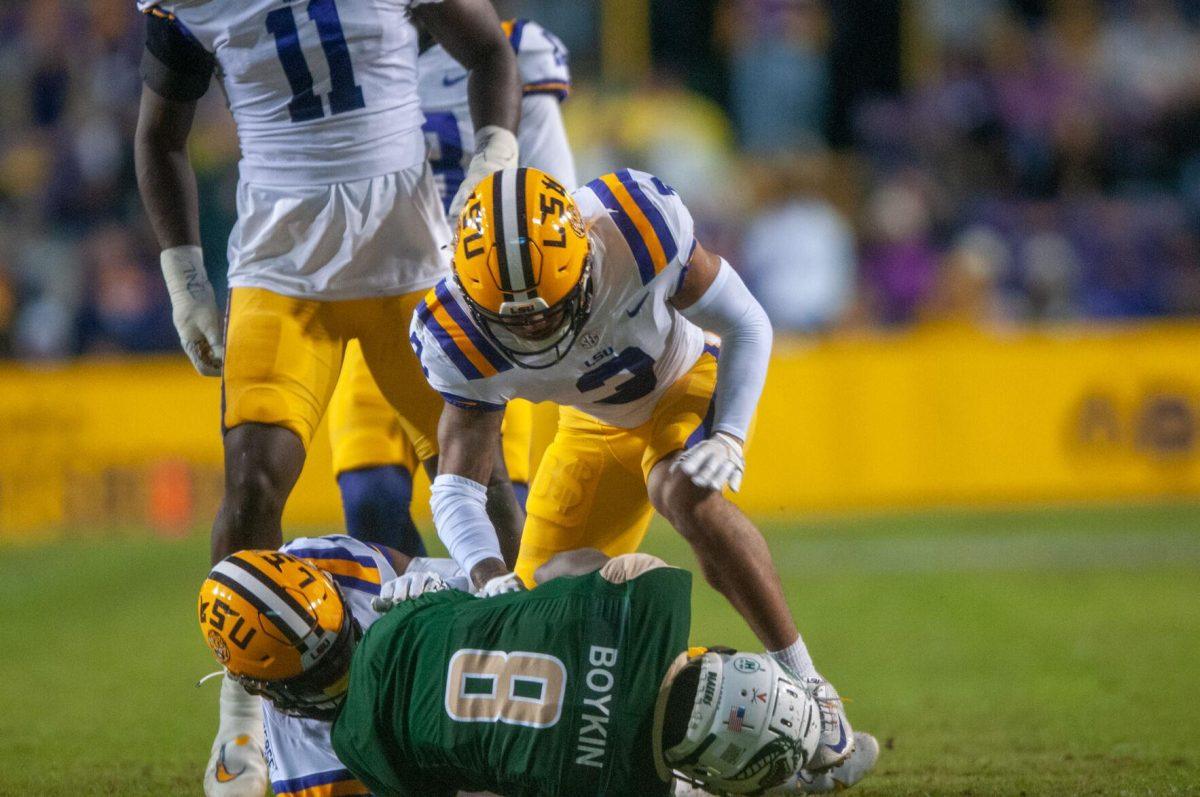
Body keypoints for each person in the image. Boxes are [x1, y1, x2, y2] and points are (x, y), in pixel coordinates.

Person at [132, 1, 522, 793]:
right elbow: (159, 134)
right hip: (281, 267)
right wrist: (185, 282)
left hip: (407, 260)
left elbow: (491, 51)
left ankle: (517, 695)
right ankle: (241, 729)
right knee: (250, 484)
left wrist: (497, 150)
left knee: (484, 487)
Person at [409, 166, 857, 771]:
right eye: (512, 318)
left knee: (683, 490)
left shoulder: (635, 226)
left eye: (547, 308)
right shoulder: (453, 333)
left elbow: (747, 321)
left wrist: (729, 435)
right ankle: (691, 757)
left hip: (679, 384)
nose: (534, 325)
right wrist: (489, 576)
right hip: (589, 430)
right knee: (542, 622)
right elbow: (457, 486)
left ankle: (811, 690)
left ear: (585, 256)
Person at [198, 543, 880, 796]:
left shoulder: (356, 742)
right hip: (453, 623)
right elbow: (618, 567)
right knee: (564, 571)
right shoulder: (392, 608)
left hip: (453, 732)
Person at [327, 16, 577, 555]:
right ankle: (427, 634)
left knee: (496, 500)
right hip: (377, 295)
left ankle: (507, 632)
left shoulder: (512, 49)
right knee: (370, 499)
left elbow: (554, 191)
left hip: (480, 309)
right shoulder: (344, 44)